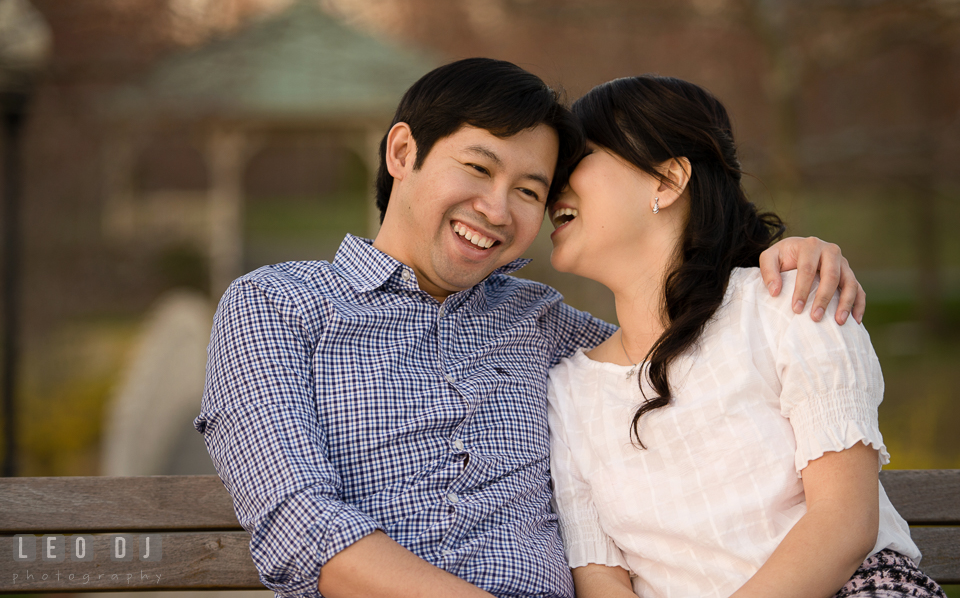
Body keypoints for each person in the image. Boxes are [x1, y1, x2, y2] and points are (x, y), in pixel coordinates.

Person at [195, 58, 865, 598]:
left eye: (529, 191)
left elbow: (691, 351)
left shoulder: (547, 327)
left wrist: (781, 255)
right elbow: (298, 521)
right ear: (403, 150)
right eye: (479, 168)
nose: (495, 208)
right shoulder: (278, 306)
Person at [546, 75, 945, 598]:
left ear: (666, 180)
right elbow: (599, 572)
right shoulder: (569, 389)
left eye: (580, 156)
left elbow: (843, 524)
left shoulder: (792, 305)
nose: (554, 184)